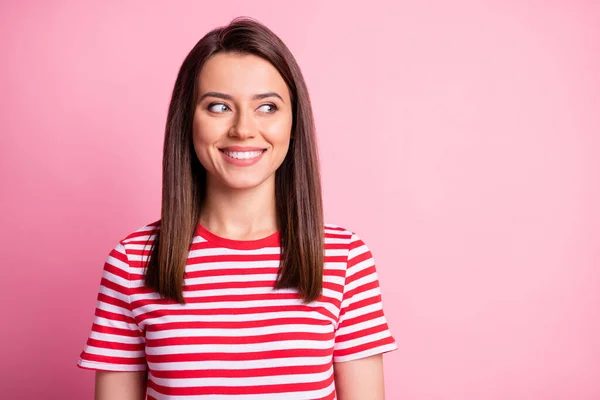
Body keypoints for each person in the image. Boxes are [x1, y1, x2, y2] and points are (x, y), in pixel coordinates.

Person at [77, 16, 398, 400]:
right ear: (188, 122)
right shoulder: (133, 262)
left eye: (267, 107)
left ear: (293, 122)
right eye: (218, 106)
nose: (243, 129)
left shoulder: (345, 259)